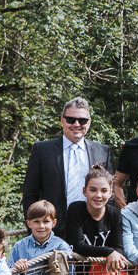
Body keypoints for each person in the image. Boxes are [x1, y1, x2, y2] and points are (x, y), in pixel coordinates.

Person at [20, 97, 113, 240]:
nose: (76, 124)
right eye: (71, 119)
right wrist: (35, 228)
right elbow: (30, 194)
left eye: (82, 120)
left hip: (91, 232)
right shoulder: (42, 150)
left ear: (89, 122)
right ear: (62, 120)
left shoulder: (102, 151)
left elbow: (108, 194)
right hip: (52, 232)